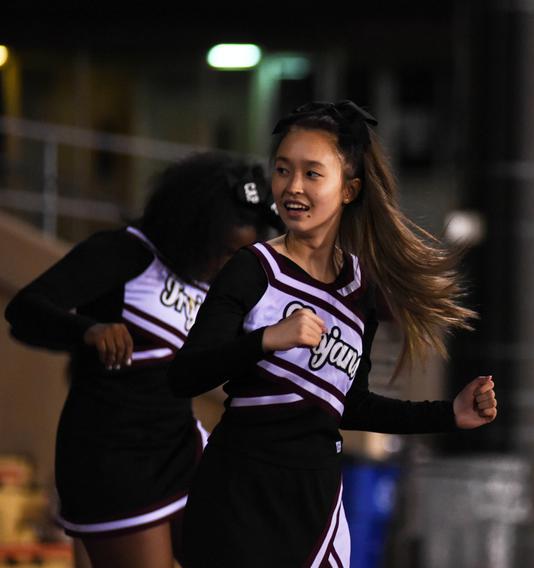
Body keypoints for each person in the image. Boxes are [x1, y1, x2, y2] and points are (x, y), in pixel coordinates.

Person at [167, 100, 498, 568]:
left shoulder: (360, 290)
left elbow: (350, 404)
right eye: (282, 170)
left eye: (311, 173)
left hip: (316, 500)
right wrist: (266, 340)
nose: (292, 187)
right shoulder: (254, 269)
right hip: (239, 492)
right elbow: (184, 375)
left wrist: (450, 414)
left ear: (349, 189)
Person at [4, 152, 279, 568]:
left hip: (180, 444)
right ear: (194, 229)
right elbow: (23, 312)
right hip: (115, 457)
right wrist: (87, 331)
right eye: (224, 251)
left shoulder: (219, 283)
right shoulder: (124, 253)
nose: (228, 265)